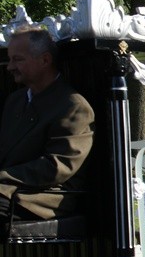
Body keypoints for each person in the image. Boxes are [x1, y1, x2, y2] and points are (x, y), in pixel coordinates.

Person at [0, 25, 95, 231]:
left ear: (44, 60)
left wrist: (4, 177)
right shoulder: (15, 101)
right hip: (8, 189)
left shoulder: (74, 106)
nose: (9, 67)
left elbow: (57, 166)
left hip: (42, 198)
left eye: (18, 59)